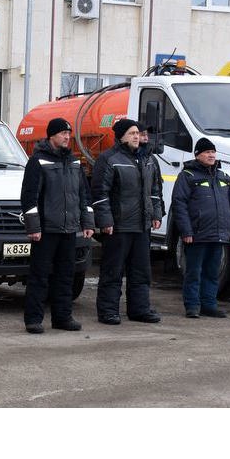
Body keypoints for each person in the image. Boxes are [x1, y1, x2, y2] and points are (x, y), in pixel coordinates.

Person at [20, 118, 95, 333]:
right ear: (51, 135)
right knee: (39, 276)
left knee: (65, 276)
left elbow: (84, 196)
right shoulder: (38, 161)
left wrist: (87, 223)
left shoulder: (74, 162)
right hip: (46, 231)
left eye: (68, 134)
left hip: (69, 229)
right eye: (62, 133)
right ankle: (33, 319)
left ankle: (63, 317)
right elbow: (29, 197)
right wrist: (34, 228)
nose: (66, 137)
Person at [92, 118, 163, 325]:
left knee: (141, 271)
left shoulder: (149, 159)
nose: (136, 136)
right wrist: (105, 220)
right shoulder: (109, 159)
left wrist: (156, 214)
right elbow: (100, 193)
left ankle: (139, 309)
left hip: (142, 225)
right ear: (121, 136)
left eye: (137, 133)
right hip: (118, 226)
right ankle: (108, 311)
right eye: (132, 133)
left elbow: (155, 191)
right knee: (113, 271)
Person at [171, 138, 230, 318]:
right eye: (207, 152)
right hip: (197, 234)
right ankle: (192, 306)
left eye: (213, 152)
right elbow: (179, 205)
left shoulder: (223, 177)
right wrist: (186, 231)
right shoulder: (187, 176)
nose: (211, 155)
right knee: (194, 272)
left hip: (219, 234)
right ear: (197, 155)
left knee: (212, 272)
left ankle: (209, 304)